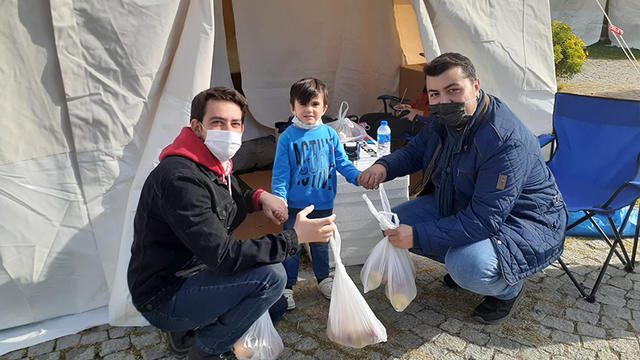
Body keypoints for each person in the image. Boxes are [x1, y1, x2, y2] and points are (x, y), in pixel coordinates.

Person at [127, 87, 337, 359]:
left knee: (274, 308)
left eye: (235, 123)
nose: (228, 131)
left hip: (188, 272)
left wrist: (259, 198)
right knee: (273, 277)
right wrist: (294, 237)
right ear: (197, 126)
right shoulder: (181, 179)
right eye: (218, 122)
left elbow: (227, 198)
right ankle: (206, 349)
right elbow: (224, 256)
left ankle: (184, 333)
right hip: (164, 295)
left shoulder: (210, 163)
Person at [358, 52, 567, 324]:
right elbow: (416, 152)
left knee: (467, 266)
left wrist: (418, 235)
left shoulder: (503, 140)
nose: (443, 101)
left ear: (476, 87)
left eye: (453, 90)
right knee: (393, 224)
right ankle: (466, 261)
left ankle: (507, 287)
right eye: (434, 94)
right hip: (467, 202)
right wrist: (383, 166)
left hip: (527, 221)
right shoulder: (444, 119)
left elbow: (485, 219)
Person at [271, 78, 361, 310]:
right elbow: (280, 174)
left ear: (324, 108)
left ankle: (324, 279)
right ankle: (287, 287)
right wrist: (279, 200)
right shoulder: (287, 138)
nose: (308, 110)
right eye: (302, 104)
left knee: (321, 243)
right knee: (293, 246)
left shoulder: (330, 135)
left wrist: (359, 177)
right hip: (294, 206)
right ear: (292, 107)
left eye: (314, 104)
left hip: (323, 202)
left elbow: (342, 162)